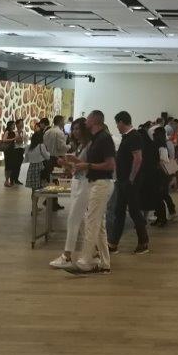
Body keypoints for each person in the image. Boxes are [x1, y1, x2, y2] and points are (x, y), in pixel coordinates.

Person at [67, 110, 115, 275]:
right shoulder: (96, 139)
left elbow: (110, 165)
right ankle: (105, 263)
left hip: (101, 184)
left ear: (94, 120)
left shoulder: (104, 138)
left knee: (91, 222)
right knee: (98, 225)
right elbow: (91, 163)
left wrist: (87, 165)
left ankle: (86, 260)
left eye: (88, 118)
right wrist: (77, 162)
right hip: (95, 182)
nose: (85, 121)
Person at [49, 118, 91, 269]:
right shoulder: (80, 146)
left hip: (85, 183)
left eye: (78, 129)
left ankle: (67, 255)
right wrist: (66, 164)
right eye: (73, 129)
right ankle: (95, 251)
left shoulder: (89, 146)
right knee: (81, 221)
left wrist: (73, 162)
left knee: (73, 218)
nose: (75, 132)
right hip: (77, 182)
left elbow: (88, 166)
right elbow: (76, 168)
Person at [107, 111, 150, 255]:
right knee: (119, 211)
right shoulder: (128, 137)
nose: (117, 127)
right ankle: (113, 243)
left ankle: (143, 242)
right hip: (123, 181)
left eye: (117, 124)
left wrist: (131, 179)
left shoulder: (134, 136)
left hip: (129, 182)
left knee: (134, 211)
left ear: (121, 122)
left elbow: (138, 158)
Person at [149, 125, 177, 226]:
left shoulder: (160, 146)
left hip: (160, 175)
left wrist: (170, 175)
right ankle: (160, 218)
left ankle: (162, 218)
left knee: (159, 197)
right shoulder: (161, 145)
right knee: (159, 197)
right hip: (160, 174)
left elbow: (163, 162)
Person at [25, 121, 47, 190]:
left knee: (33, 187)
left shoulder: (28, 147)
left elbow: (26, 159)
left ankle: (33, 197)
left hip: (31, 167)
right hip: (40, 166)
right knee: (40, 186)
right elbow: (47, 156)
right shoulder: (41, 146)